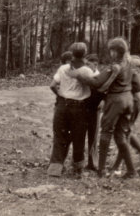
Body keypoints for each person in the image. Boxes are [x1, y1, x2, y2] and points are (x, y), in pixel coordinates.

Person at [71, 38, 137, 178]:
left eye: (111, 50)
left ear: (115, 51)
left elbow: (97, 82)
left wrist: (79, 76)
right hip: (128, 99)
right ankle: (131, 170)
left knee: (106, 133)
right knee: (120, 136)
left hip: (116, 100)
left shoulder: (115, 66)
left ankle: (101, 170)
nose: (110, 53)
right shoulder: (129, 62)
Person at [47, 43, 94, 178]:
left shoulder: (63, 68)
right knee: (78, 136)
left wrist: (61, 97)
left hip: (62, 105)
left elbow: (52, 85)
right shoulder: (87, 70)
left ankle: (55, 169)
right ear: (85, 54)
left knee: (59, 136)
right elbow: (96, 85)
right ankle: (77, 169)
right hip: (79, 107)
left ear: (71, 53)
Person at [110, 55, 140, 173]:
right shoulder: (123, 65)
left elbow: (139, 86)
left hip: (131, 102)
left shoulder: (128, 65)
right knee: (125, 132)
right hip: (129, 102)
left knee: (123, 133)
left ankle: (120, 167)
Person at [84, 54, 103, 171]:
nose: (86, 66)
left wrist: (103, 101)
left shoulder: (100, 76)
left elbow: (106, 91)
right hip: (84, 108)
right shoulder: (86, 75)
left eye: (88, 64)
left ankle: (93, 162)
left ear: (95, 64)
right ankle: (80, 161)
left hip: (95, 110)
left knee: (93, 136)